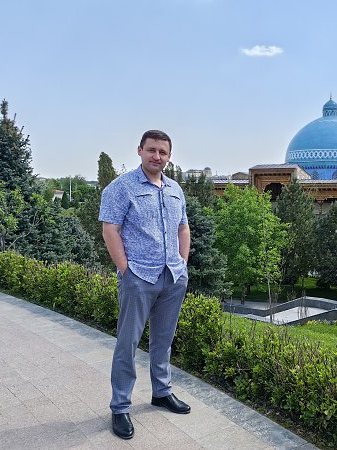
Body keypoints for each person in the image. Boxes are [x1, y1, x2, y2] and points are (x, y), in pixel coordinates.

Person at [99, 130, 191, 440]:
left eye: (163, 152)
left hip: (172, 277)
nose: (157, 156)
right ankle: (120, 406)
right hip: (138, 277)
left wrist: (182, 264)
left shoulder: (175, 189)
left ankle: (161, 392)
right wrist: (126, 271)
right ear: (140, 150)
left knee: (163, 340)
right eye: (151, 150)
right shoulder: (121, 187)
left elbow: (183, 228)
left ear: (169, 156)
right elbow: (110, 230)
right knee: (128, 344)